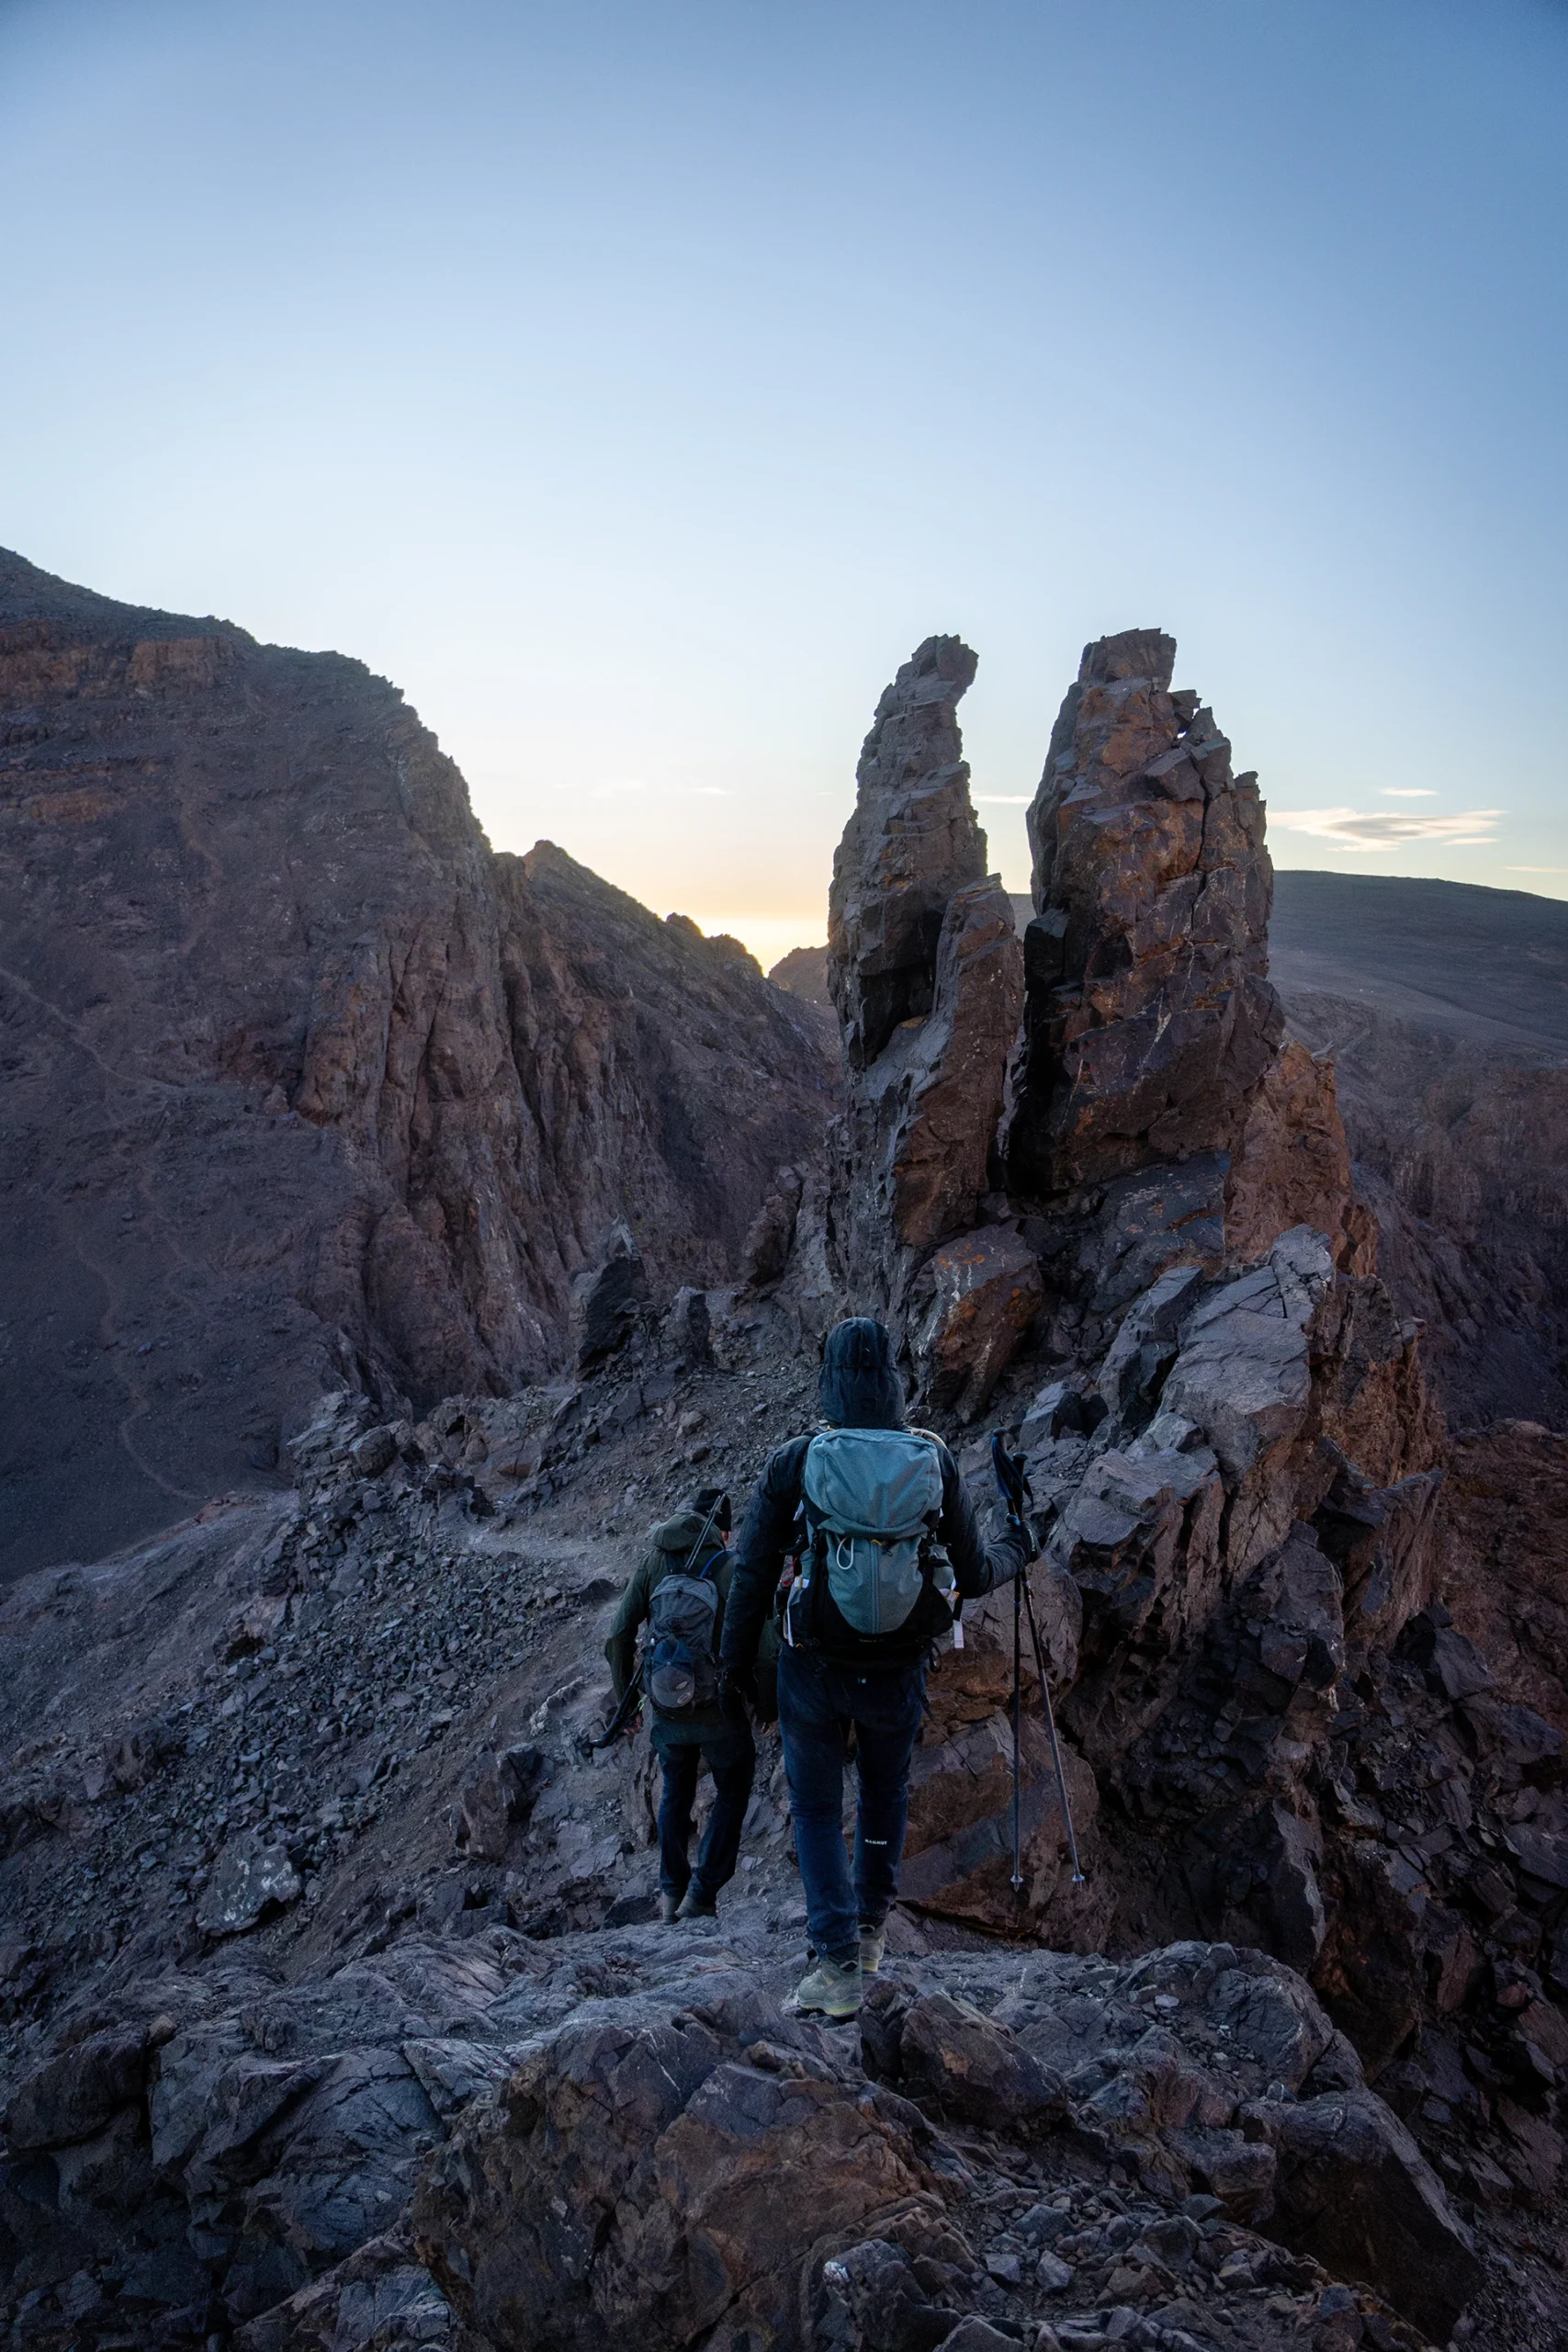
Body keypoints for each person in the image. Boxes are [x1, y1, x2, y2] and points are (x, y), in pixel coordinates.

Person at [719, 1318, 1032, 2018]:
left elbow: (750, 1575)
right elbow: (976, 1575)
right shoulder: (931, 1458)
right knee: (885, 1795)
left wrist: (735, 1673)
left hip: (814, 1666)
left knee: (817, 1809)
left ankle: (835, 1969)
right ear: (894, 1379)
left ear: (827, 1378)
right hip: (898, 1666)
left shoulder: (797, 1457)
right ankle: (866, 1940)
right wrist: (1021, 1544)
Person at [604, 1487, 756, 1923]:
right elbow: (761, 1645)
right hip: (719, 1711)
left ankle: (671, 1892)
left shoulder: (655, 1560)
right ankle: (703, 1893)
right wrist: (763, 1703)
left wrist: (628, 1702)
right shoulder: (729, 1567)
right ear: (724, 1533)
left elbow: (619, 1634)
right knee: (732, 1787)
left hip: (667, 1706)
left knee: (675, 1791)